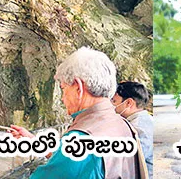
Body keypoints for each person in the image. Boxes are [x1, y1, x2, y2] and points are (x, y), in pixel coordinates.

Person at [9, 48, 147, 179]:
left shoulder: (83, 137)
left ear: (78, 88)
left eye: (63, 89)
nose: (63, 98)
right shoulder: (120, 124)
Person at [111, 82, 154, 179]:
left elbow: (127, 163)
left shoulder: (138, 128)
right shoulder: (145, 120)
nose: (112, 106)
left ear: (129, 103)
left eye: (114, 101)